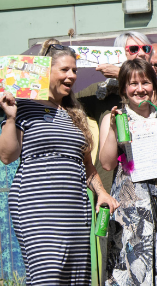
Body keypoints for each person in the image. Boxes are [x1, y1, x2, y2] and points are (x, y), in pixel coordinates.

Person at [0, 44, 118, 285]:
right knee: (48, 277)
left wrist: (102, 193)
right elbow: (7, 156)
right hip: (38, 207)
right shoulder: (23, 106)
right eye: (64, 69)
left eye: (74, 70)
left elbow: (86, 165)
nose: (71, 76)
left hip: (76, 210)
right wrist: (11, 118)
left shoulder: (75, 113)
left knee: (76, 280)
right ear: (45, 71)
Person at [98, 58, 157, 285]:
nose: (140, 89)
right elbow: (107, 164)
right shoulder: (113, 118)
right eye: (133, 83)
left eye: (146, 83)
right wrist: (112, 130)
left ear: (154, 86)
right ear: (123, 88)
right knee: (132, 268)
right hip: (130, 208)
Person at [77, 31, 157, 194]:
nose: (141, 53)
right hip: (111, 185)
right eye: (134, 49)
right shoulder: (101, 90)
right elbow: (65, 101)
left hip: (153, 182)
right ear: (118, 55)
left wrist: (123, 74)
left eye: (146, 48)